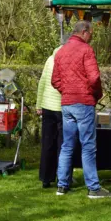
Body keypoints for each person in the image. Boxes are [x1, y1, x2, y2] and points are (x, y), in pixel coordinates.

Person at [52, 21, 111, 199]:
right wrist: (96, 94)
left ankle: (62, 186)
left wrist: (67, 91)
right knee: (88, 146)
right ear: (84, 32)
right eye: (91, 33)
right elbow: (94, 77)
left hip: (67, 103)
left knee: (67, 145)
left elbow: (55, 80)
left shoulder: (61, 51)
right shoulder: (86, 50)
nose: (92, 36)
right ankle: (93, 188)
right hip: (83, 102)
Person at [36, 46, 63, 188]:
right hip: (62, 107)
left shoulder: (50, 59)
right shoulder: (67, 59)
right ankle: (62, 178)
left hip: (47, 106)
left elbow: (42, 82)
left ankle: (45, 178)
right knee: (62, 144)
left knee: (47, 143)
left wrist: (38, 104)